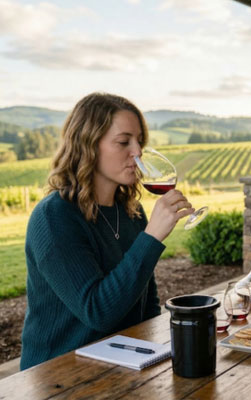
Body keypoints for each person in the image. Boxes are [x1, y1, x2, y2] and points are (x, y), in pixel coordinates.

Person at [21, 93, 195, 370]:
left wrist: (161, 352)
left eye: (140, 141)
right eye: (124, 142)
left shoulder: (131, 211)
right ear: (88, 145)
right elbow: (98, 311)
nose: (137, 152)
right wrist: (151, 238)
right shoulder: (55, 217)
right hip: (60, 374)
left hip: (126, 364)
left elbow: (146, 302)